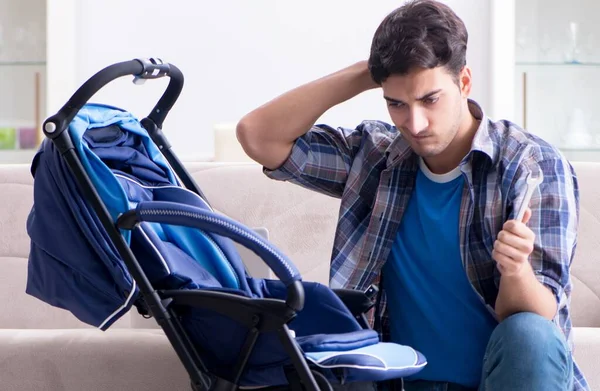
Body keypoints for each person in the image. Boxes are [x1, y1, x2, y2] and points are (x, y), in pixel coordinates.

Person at [236, 1, 588, 390]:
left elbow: (538, 320)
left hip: (504, 379)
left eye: (429, 99)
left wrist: (516, 269)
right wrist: (363, 74)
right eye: (396, 104)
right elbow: (258, 136)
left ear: (464, 82)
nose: (414, 124)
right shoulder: (374, 156)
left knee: (529, 334)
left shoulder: (531, 164)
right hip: (401, 383)